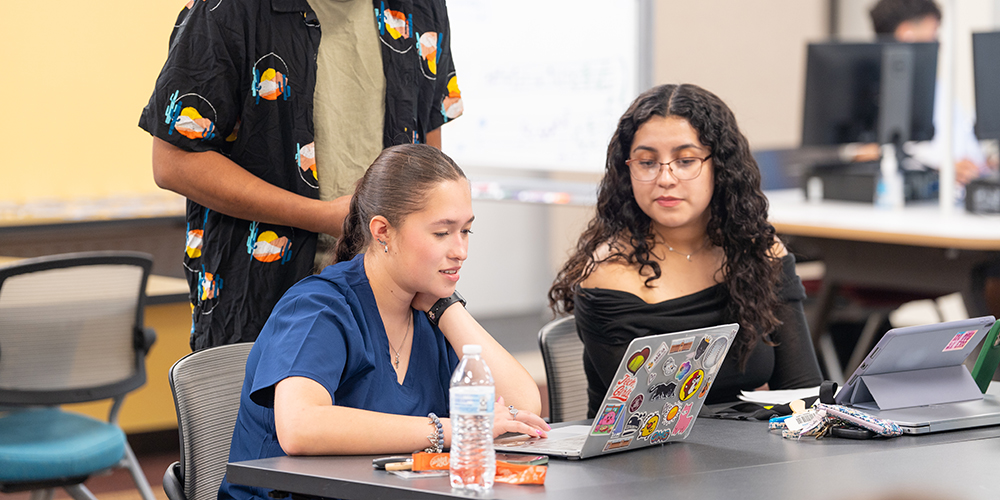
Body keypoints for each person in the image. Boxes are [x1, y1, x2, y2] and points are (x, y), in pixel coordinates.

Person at [219, 144, 548, 500]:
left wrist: (447, 308)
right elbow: (300, 427)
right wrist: (451, 430)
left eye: (466, 231)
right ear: (382, 231)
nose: (461, 251)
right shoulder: (318, 306)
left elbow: (523, 407)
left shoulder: (427, 311)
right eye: (442, 233)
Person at [138, 0, 464, 350]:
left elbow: (429, 160)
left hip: (395, 304)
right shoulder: (229, 9)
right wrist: (322, 217)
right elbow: (174, 161)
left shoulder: (420, 6)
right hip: (264, 299)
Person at [549, 84, 823, 416]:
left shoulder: (757, 253)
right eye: (647, 162)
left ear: (719, 166)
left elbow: (802, 391)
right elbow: (649, 414)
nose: (665, 178)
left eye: (685, 160)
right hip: (641, 460)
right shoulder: (609, 274)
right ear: (628, 171)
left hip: (748, 454)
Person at [868, 0, 992, 185]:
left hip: (961, 196)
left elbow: (964, 146)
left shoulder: (936, 87)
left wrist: (987, 163)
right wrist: (939, 170)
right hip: (918, 202)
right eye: (933, 35)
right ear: (906, 33)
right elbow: (870, 154)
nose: (938, 44)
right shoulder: (872, 90)